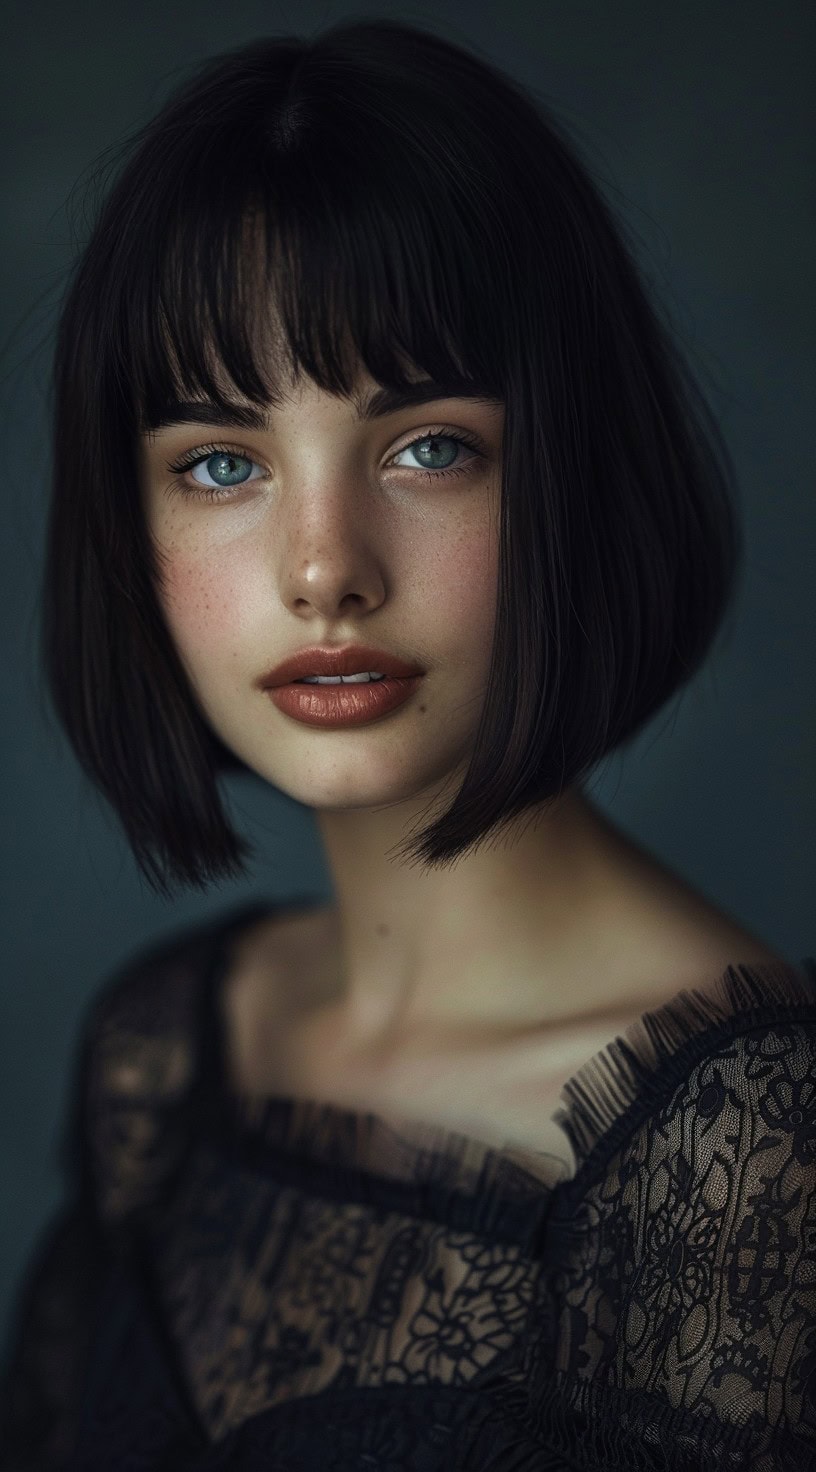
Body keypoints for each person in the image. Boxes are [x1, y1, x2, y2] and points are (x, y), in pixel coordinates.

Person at [1, 18, 814, 1470]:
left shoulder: (746, 1148)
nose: (324, 569)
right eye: (222, 465)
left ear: (572, 472)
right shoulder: (164, 1052)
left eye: (428, 445)